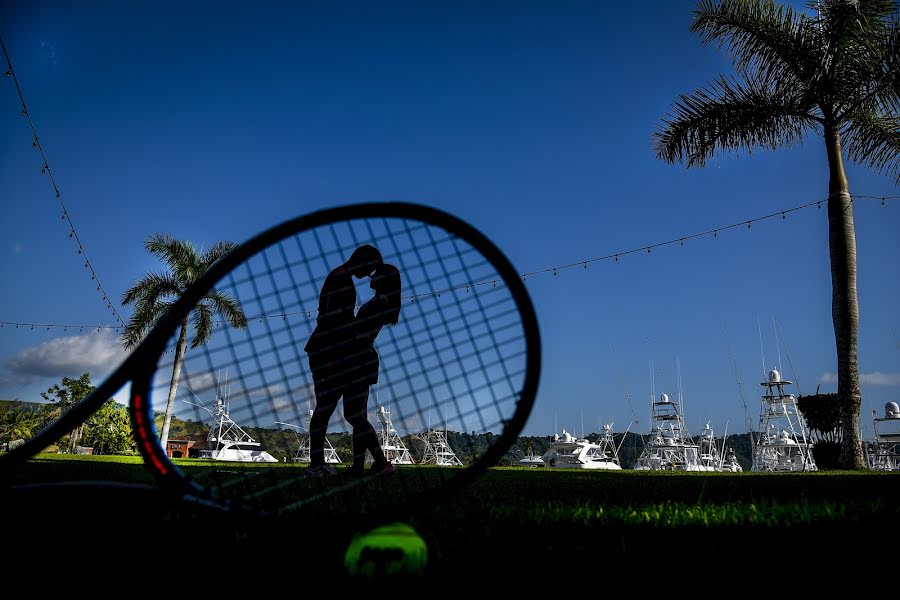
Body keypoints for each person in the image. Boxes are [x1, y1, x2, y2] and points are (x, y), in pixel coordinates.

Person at [305, 244, 382, 477]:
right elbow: (332, 320)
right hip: (328, 351)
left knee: (326, 408)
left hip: (329, 350)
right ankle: (316, 463)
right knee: (325, 408)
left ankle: (317, 462)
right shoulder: (341, 281)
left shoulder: (339, 278)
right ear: (363, 261)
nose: (369, 275)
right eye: (370, 268)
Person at [343, 263, 402, 476]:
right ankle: (359, 466)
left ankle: (382, 462)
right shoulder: (383, 302)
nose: (371, 277)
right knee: (359, 415)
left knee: (352, 414)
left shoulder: (379, 303)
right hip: (364, 357)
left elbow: (360, 332)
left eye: (376, 274)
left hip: (359, 357)